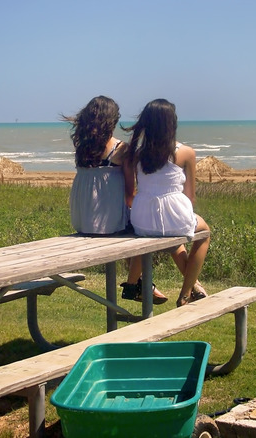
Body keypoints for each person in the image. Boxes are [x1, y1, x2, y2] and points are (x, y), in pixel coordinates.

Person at [64, 95, 168, 304]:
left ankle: (140, 285)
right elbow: (130, 192)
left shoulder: (82, 148)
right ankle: (140, 284)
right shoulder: (121, 149)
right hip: (107, 223)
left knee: (132, 228)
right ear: (111, 121)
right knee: (141, 231)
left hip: (82, 219)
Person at [123, 98, 211, 307]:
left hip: (142, 216)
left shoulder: (135, 153)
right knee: (204, 233)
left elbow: (131, 192)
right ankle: (186, 292)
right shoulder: (186, 152)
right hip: (173, 212)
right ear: (172, 123)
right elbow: (190, 196)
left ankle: (132, 283)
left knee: (169, 236)